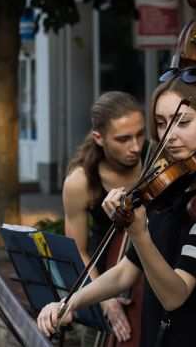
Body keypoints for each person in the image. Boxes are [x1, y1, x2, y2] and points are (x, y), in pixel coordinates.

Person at [38, 67, 196, 347]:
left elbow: (175, 294)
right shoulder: (174, 188)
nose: (170, 135)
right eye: (162, 122)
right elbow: (126, 271)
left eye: (183, 122)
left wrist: (140, 234)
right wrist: (70, 301)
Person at [63, 91, 146, 343]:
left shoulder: (157, 160)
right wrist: (106, 300)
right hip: (108, 277)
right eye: (123, 139)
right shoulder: (80, 182)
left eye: (140, 134)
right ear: (99, 138)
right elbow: (78, 251)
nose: (136, 147)